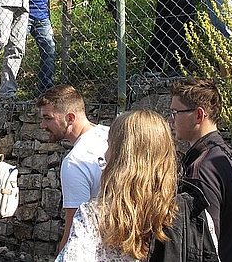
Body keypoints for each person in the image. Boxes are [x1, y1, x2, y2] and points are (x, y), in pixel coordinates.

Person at [57, 110, 219, 262]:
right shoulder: (193, 214)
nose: (105, 154)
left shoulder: (94, 216)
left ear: (120, 158)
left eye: (110, 145)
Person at [169, 78, 232, 262]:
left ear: (198, 115)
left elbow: (202, 246)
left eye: (175, 112)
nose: (171, 119)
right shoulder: (226, 156)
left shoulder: (201, 169)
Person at [36, 84, 109, 252]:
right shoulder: (110, 134)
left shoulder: (75, 162)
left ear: (70, 118)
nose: (42, 125)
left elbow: (75, 230)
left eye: (48, 118)